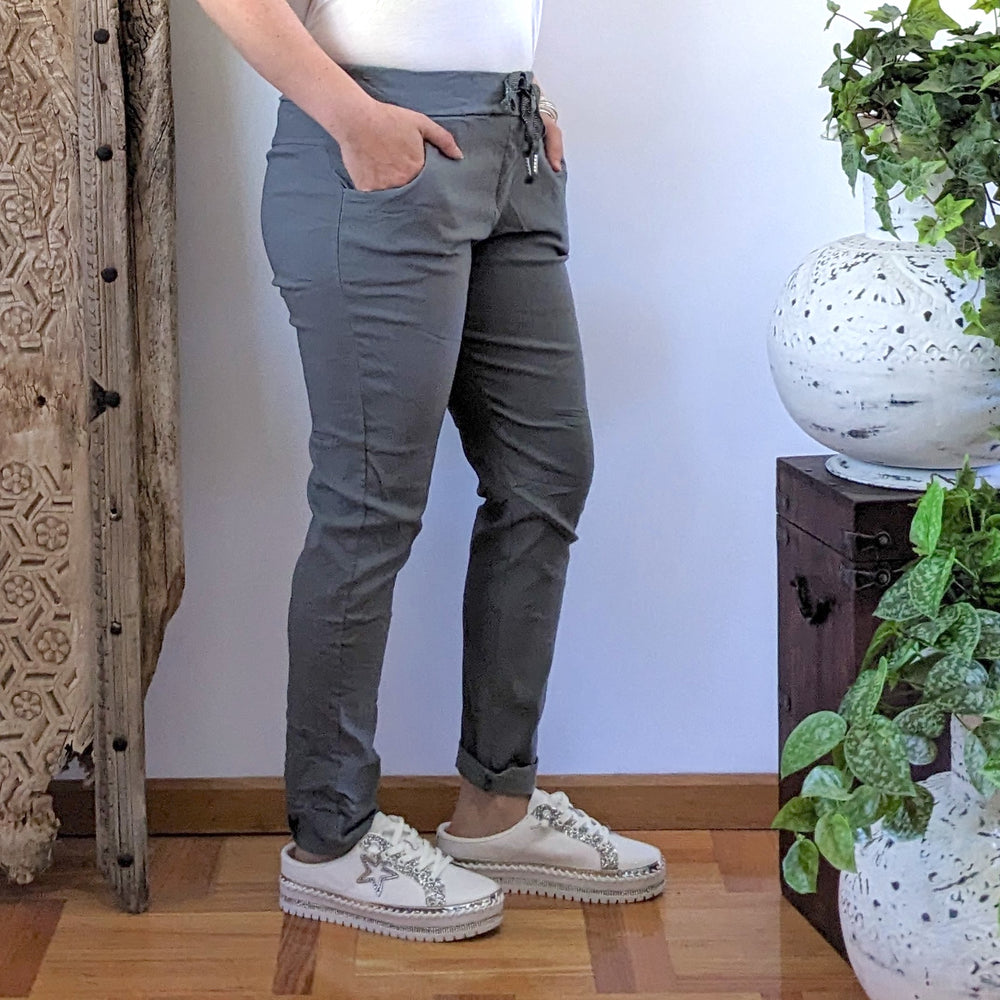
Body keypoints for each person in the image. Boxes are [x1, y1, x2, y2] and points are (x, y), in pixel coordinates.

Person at [193, 0, 666, 941]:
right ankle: (331, 842)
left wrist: (525, 97)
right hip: (372, 141)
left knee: (546, 474)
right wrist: (353, 116)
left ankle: (498, 807)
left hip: (515, 149)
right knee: (369, 504)